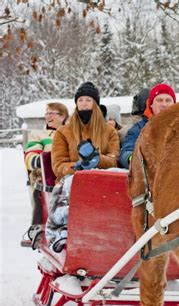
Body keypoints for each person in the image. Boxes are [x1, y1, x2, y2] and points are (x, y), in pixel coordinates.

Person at [22, 102, 69, 249]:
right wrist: (39, 160)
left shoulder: (70, 132)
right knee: (40, 180)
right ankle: (38, 224)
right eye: (46, 113)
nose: (48, 116)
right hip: (45, 171)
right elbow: (30, 155)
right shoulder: (38, 134)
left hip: (65, 170)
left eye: (52, 113)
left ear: (62, 117)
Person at [51, 82, 120, 181]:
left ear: (95, 104)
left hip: (102, 180)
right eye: (80, 100)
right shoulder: (63, 132)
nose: (84, 103)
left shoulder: (109, 131)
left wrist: (98, 159)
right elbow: (58, 166)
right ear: (76, 104)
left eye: (88, 100)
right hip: (72, 182)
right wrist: (78, 167)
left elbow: (114, 161)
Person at [119, 83, 176, 168]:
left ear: (174, 104)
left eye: (168, 100)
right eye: (159, 100)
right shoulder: (138, 129)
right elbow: (126, 152)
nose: (164, 104)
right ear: (151, 105)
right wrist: (134, 159)